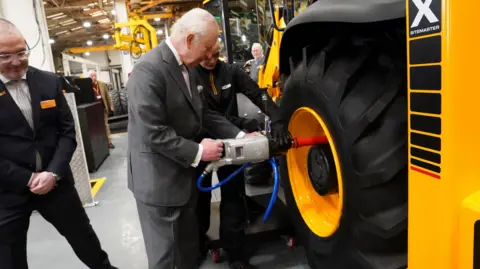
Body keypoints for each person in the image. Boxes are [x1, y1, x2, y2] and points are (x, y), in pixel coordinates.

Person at [126, 8, 259, 269]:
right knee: (169, 259)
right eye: (207, 47)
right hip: (161, 185)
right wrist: (198, 152)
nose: (210, 55)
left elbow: (205, 113)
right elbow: (152, 132)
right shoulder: (149, 71)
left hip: (182, 180)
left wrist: (242, 136)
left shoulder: (184, 69)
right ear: (189, 40)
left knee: (186, 254)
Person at [0, 19, 117, 269]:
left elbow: (66, 131)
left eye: (21, 52)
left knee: (85, 240)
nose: (16, 61)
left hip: (56, 184)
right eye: (5, 56)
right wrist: (26, 178)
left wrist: (53, 172)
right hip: (8, 191)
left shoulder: (48, 82)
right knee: (9, 257)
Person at [193, 44, 290, 269]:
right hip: (203, 145)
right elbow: (206, 116)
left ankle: (235, 253)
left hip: (231, 145)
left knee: (233, 198)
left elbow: (258, 94)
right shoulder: (189, 77)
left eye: (215, 55)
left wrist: (277, 119)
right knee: (199, 200)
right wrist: (244, 126)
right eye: (205, 56)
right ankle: (198, 245)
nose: (210, 60)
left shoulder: (231, 71)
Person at [89, 70, 115, 149]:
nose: (93, 77)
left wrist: (111, 105)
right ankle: (99, 144)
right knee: (95, 128)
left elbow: (107, 96)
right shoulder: (87, 85)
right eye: (92, 76)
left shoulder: (102, 84)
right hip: (93, 110)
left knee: (105, 125)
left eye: (94, 75)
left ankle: (109, 142)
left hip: (103, 108)